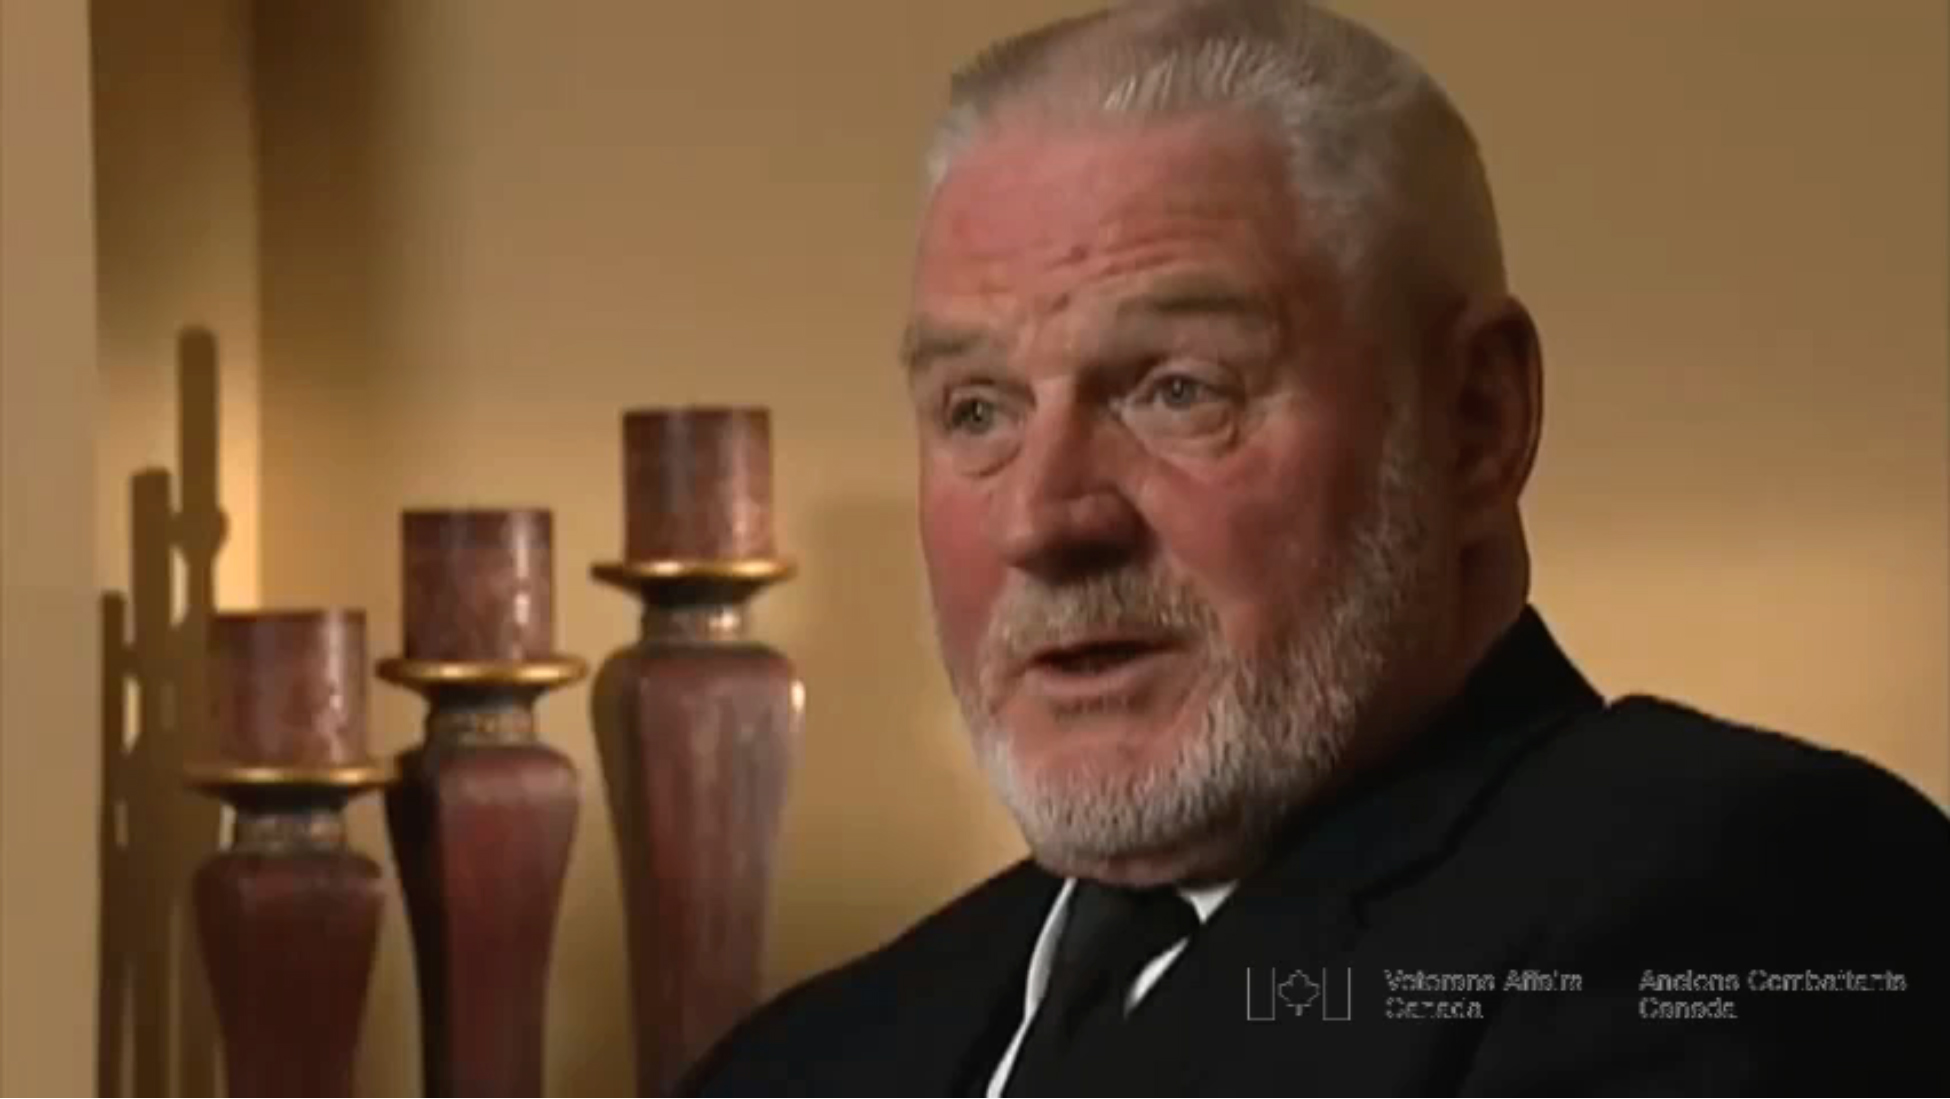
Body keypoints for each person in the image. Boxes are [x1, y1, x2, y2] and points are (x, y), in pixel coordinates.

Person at [682, 1, 1950, 1092]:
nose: (1044, 520)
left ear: (1474, 422)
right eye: (976, 412)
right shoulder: (800, 1059)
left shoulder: (1745, 904)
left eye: (1179, 389)